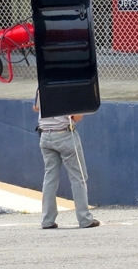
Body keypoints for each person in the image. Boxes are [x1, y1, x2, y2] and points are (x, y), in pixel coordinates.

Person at [34, 91, 99, 229]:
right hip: (64, 134)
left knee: (50, 177)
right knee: (78, 177)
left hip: (45, 135)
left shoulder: (42, 85)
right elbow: (77, 116)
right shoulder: (68, 87)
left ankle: (47, 219)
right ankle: (84, 219)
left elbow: (36, 107)